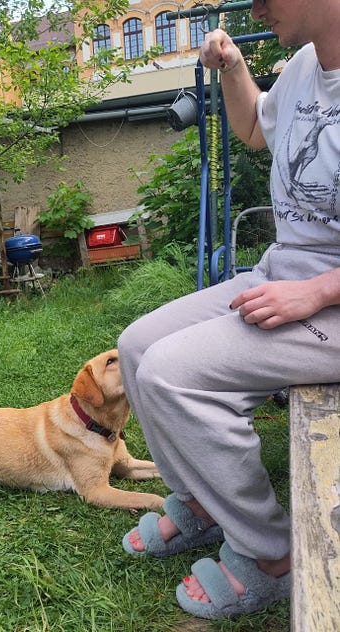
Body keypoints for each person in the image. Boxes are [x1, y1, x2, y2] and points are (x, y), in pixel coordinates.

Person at [118, 0, 340, 620]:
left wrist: (318, 292)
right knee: (138, 348)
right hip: (285, 273)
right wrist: (235, 69)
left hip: (329, 300)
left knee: (174, 374)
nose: (259, 5)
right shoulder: (302, 66)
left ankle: (271, 553)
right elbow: (253, 131)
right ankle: (202, 502)